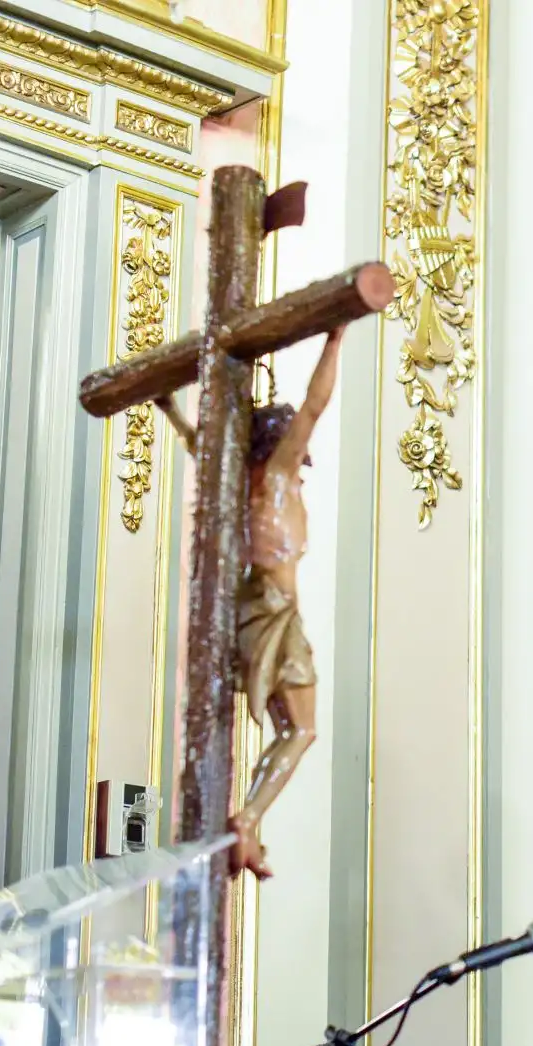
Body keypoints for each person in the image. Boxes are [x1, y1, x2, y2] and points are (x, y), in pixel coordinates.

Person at [225, 326, 344, 880]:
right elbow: (316, 405)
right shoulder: (275, 477)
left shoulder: (238, 484)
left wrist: (171, 411)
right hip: (276, 611)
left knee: (288, 729)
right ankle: (248, 820)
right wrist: (335, 339)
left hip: (249, 608)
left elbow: (193, 444)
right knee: (301, 729)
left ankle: (249, 826)